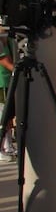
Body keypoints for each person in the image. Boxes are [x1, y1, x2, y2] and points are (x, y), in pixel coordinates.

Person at [0, 33, 15, 162]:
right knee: (2, 116)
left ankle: (8, 146)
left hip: (9, 81)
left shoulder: (9, 38)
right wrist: (16, 70)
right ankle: (2, 148)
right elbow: (3, 60)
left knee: (8, 117)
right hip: (1, 82)